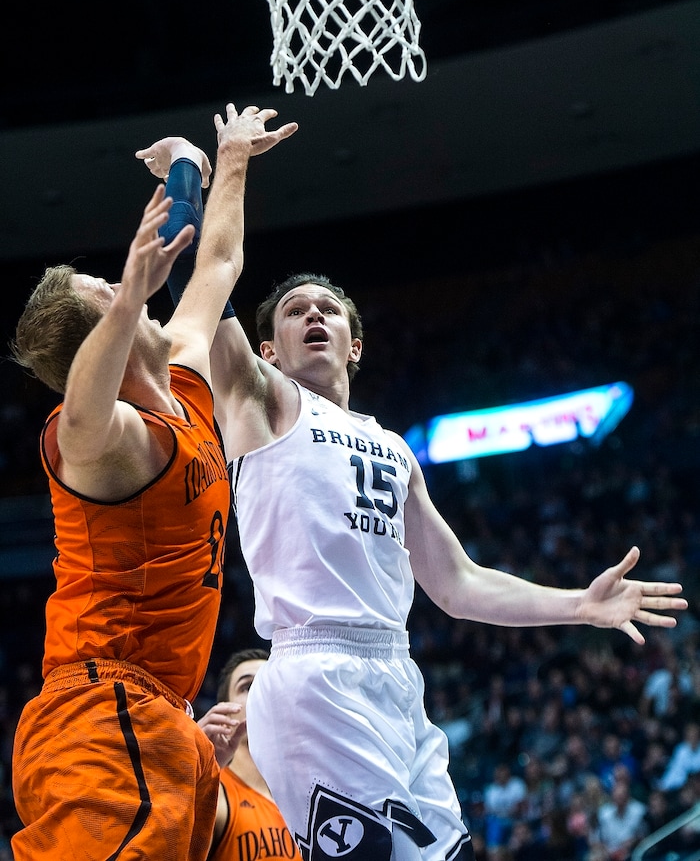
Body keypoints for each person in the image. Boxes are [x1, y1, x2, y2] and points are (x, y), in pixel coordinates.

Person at [145, 154, 687, 861]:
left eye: (329, 310)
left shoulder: (395, 449)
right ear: (270, 350)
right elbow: (207, 286)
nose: (314, 315)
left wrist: (576, 606)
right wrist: (206, 175)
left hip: (394, 676)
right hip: (314, 674)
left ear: (355, 344)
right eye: (295, 311)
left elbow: (457, 584)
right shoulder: (265, 404)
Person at [9, 103, 297, 861]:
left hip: (158, 714)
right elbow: (81, 414)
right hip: (96, 714)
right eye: (102, 286)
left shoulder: (184, 382)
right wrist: (131, 294)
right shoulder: (103, 443)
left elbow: (220, 264)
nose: (117, 279)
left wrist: (217, 160)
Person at [196, 648, 300, 861]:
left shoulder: (307, 799)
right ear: (224, 710)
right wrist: (194, 770)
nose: (260, 694)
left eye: (268, 684)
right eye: (247, 686)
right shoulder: (215, 795)